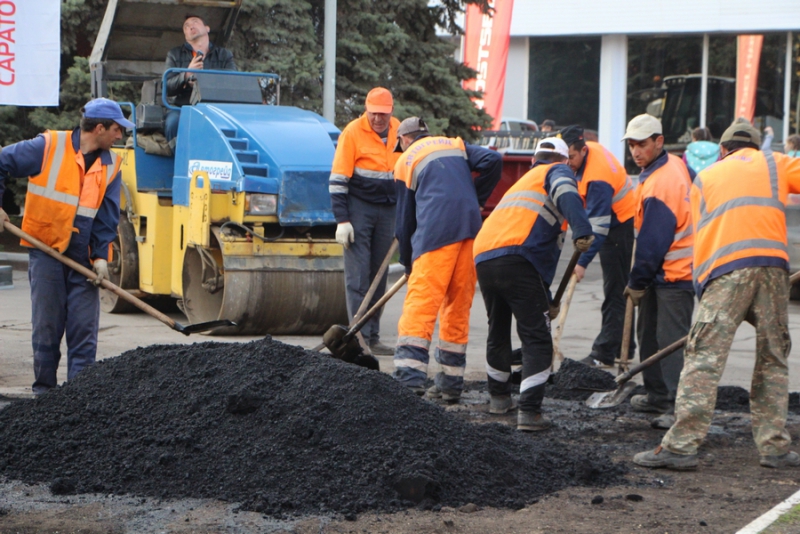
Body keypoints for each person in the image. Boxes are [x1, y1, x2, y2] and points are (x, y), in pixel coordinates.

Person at [634, 120, 800, 471]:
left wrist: (703, 286)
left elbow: (701, 235)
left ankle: (681, 446)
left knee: (704, 356)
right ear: (756, 147)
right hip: (773, 269)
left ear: (722, 150)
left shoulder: (706, 177)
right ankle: (774, 448)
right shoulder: (776, 163)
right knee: (773, 357)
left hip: (725, 272)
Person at [0, 99, 131, 395]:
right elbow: (1, 162)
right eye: (117, 129)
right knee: (47, 329)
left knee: (84, 333)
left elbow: (106, 217)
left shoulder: (112, 165)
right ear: (99, 128)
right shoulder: (48, 147)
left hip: (82, 259)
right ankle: (44, 396)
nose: (120, 136)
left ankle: (78, 402)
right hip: (45, 251)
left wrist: (100, 257)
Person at [473, 138, 593, 431]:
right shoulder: (558, 172)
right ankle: (530, 412)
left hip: (485, 256)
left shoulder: (524, 181)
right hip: (519, 257)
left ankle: (499, 398)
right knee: (537, 337)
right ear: (564, 161)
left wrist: (545, 298)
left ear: (533, 160)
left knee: (498, 329)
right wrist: (582, 228)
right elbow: (566, 192)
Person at [392, 117, 502, 401]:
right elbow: (493, 160)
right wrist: (476, 199)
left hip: (436, 235)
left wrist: (407, 261)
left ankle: (409, 380)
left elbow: (404, 222)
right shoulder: (454, 144)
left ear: (404, 140)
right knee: (457, 304)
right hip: (469, 231)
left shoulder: (405, 161)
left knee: (422, 304)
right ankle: (451, 384)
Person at [622, 114, 695, 429]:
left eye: (642, 144)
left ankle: (678, 408)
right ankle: (656, 397)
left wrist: (636, 282)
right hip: (660, 274)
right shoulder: (670, 166)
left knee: (669, 343)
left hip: (674, 274)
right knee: (648, 335)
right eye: (632, 145)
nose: (636, 151)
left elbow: (652, 243)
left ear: (659, 141)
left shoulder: (662, 183)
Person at [328, 88, 400, 355]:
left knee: (379, 275)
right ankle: (358, 338)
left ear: (391, 111)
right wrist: (342, 220)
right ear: (366, 110)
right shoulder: (352, 133)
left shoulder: (398, 132)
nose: (378, 119)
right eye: (373, 114)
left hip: (389, 209)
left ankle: (373, 336)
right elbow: (338, 180)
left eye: (383, 114)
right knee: (358, 276)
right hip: (359, 208)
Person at [559, 125, 636, 368]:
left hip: (619, 223)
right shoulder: (587, 152)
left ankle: (603, 353)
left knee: (614, 290)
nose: (568, 163)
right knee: (619, 287)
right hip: (613, 218)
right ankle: (625, 346)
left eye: (571, 158)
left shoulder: (597, 178)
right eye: (565, 158)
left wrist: (581, 263)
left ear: (583, 150)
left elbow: (599, 228)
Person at [164, 14, 237, 142]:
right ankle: (178, 159)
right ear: (185, 36)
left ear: (207, 28)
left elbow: (233, 82)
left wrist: (204, 81)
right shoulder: (174, 54)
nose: (190, 26)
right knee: (172, 123)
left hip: (216, 107)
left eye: (195, 22)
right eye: (186, 26)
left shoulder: (224, 55)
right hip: (183, 107)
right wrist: (186, 75)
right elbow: (167, 87)